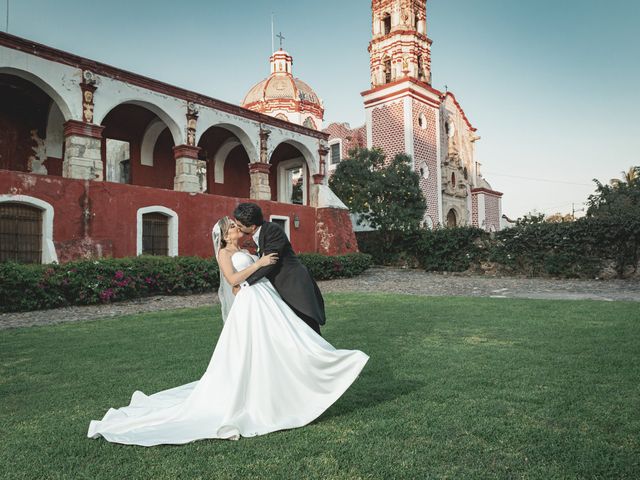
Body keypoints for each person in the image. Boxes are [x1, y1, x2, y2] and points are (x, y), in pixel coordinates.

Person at [87, 216, 368, 446]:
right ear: (224, 234)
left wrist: (256, 263)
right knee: (259, 347)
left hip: (264, 299)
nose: (237, 229)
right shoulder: (224, 253)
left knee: (284, 340)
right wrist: (258, 264)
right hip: (250, 303)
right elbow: (232, 278)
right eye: (232, 227)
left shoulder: (244, 251)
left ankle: (303, 375)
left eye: (236, 225)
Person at [233, 202, 325, 335]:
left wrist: (245, 284)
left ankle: (321, 353)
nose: (237, 227)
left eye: (240, 226)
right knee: (293, 327)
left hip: (294, 284)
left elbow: (270, 262)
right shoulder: (260, 231)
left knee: (307, 325)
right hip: (280, 286)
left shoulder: (273, 230)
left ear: (252, 226)